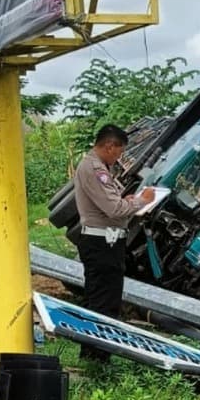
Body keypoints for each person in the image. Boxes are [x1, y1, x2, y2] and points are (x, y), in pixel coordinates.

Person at [71, 124, 156, 361]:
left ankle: (94, 354)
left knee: (101, 298)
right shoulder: (94, 169)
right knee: (102, 302)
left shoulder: (98, 167)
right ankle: (96, 357)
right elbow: (113, 209)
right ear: (109, 145)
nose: (119, 157)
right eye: (119, 152)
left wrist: (127, 200)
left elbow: (112, 203)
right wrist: (142, 201)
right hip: (102, 244)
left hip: (105, 242)